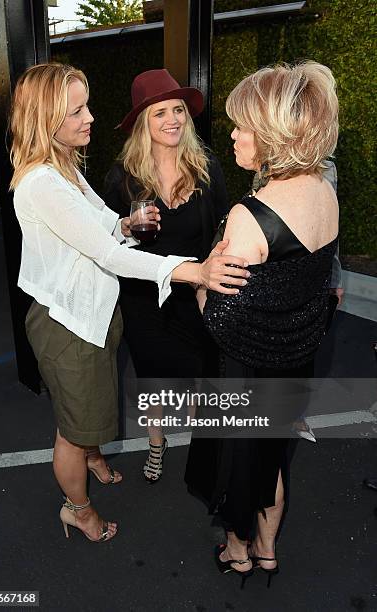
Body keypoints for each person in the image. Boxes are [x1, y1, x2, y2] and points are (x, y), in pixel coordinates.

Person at [9, 62, 250, 543]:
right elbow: (107, 255)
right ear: (45, 118)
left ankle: (92, 457)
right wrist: (193, 271)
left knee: (91, 410)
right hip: (68, 322)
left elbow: (105, 226)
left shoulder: (68, 170)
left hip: (95, 314)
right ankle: (77, 510)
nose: (90, 117)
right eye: (77, 110)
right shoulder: (42, 182)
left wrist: (125, 224)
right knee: (73, 428)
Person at [185, 61, 339, 586]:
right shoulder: (324, 191)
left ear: (272, 135)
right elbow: (311, 284)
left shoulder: (250, 214)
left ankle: (239, 552)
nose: (232, 134)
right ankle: (269, 549)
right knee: (272, 457)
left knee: (236, 464)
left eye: (243, 125)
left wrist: (202, 281)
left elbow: (219, 321)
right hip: (295, 360)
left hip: (245, 370)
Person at [104, 69, 230, 482]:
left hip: (196, 294)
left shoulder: (206, 167)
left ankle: (205, 449)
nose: (173, 119)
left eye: (178, 110)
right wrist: (123, 225)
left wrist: (206, 281)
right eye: (160, 112)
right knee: (154, 379)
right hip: (146, 301)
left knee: (202, 375)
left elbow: (222, 230)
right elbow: (105, 240)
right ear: (144, 122)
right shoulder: (122, 177)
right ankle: (156, 442)